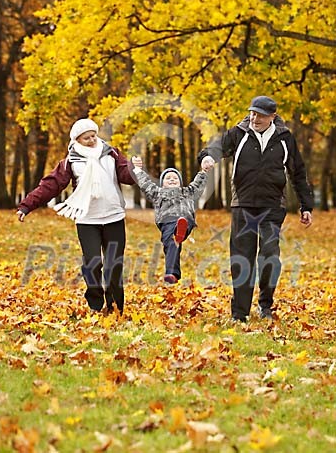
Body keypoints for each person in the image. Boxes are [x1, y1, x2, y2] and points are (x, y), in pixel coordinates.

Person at [198, 96, 314, 322]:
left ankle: (265, 305)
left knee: (270, 255)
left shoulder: (284, 138)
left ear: (272, 116)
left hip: (272, 206)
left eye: (260, 115)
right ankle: (240, 313)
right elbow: (216, 147)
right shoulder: (239, 133)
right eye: (252, 113)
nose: (255, 118)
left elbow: (297, 172)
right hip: (243, 205)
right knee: (242, 257)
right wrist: (207, 158)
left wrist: (305, 205)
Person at [17, 118, 136, 315]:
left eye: (93, 135)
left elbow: (126, 175)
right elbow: (51, 185)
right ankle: (95, 306)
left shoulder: (111, 153)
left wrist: (134, 169)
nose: (92, 140)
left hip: (114, 217)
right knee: (92, 263)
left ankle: (115, 308)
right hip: (87, 220)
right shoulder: (70, 161)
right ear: (77, 140)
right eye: (86, 137)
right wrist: (26, 206)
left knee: (114, 265)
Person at [131, 156, 208, 284]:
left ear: (180, 181)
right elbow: (146, 184)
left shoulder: (187, 192)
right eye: (168, 178)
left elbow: (197, 184)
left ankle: (180, 230)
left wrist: (204, 171)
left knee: (179, 229)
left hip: (185, 219)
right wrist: (138, 170)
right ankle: (172, 273)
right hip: (167, 222)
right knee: (171, 244)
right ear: (162, 183)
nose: (172, 179)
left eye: (175, 178)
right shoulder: (158, 193)